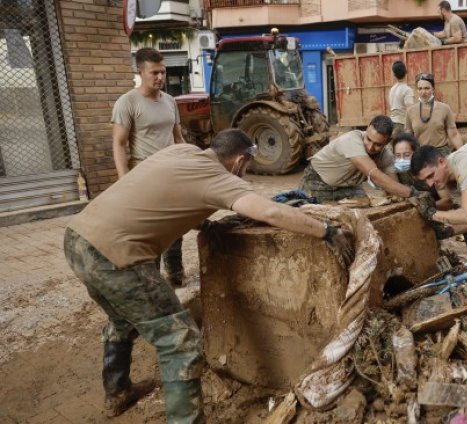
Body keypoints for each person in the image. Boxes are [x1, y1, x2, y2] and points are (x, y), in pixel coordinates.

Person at [63, 129, 354, 422]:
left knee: (122, 320)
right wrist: (326, 231)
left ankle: (118, 392)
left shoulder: (183, 152)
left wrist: (205, 225)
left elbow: (168, 194)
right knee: (180, 341)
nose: (245, 174)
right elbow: (271, 213)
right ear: (240, 160)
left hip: (78, 239)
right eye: (247, 168)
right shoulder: (219, 178)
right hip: (115, 258)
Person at [112, 47, 187, 287]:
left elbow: (178, 137)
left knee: (176, 224)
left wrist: (190, 163)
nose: (160, 77)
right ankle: (152, 280)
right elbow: (119, 143)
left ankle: (175, 273)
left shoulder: (170, 101)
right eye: (154, 72)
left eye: (163, 72)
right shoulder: (128, 102)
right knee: (151, 230)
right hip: (144, 174)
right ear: (140, 72)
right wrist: (124, 179)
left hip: (172, 173)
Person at [299, 115, 414, 201]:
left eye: (378, 144)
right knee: (327, 214)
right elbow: (374, 174)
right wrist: (411, 193)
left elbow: (393, 184)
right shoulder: (351, 140)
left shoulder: (386, 155)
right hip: (316, 181)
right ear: (367, 128)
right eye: (368, 139)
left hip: (346, 186)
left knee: (364, 203)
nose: (370, 147)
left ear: (387, 142)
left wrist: (399, 194)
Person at [405, 73, 464, 155]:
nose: (423, 92)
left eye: (427, 88)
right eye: (420, 88)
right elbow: (408, 138)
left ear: (433, 89)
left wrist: (463, 154)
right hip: (421, 155)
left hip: (440, 154)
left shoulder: (444, 108)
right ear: (417, 90)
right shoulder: (410, 111)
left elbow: (453, 135)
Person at [388, 60, 416, 137]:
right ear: (406, 72)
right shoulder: (407, 90)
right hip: (402, 124)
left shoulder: (392, 89)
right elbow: (410, 109)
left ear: (394, 74)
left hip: (392, 122)